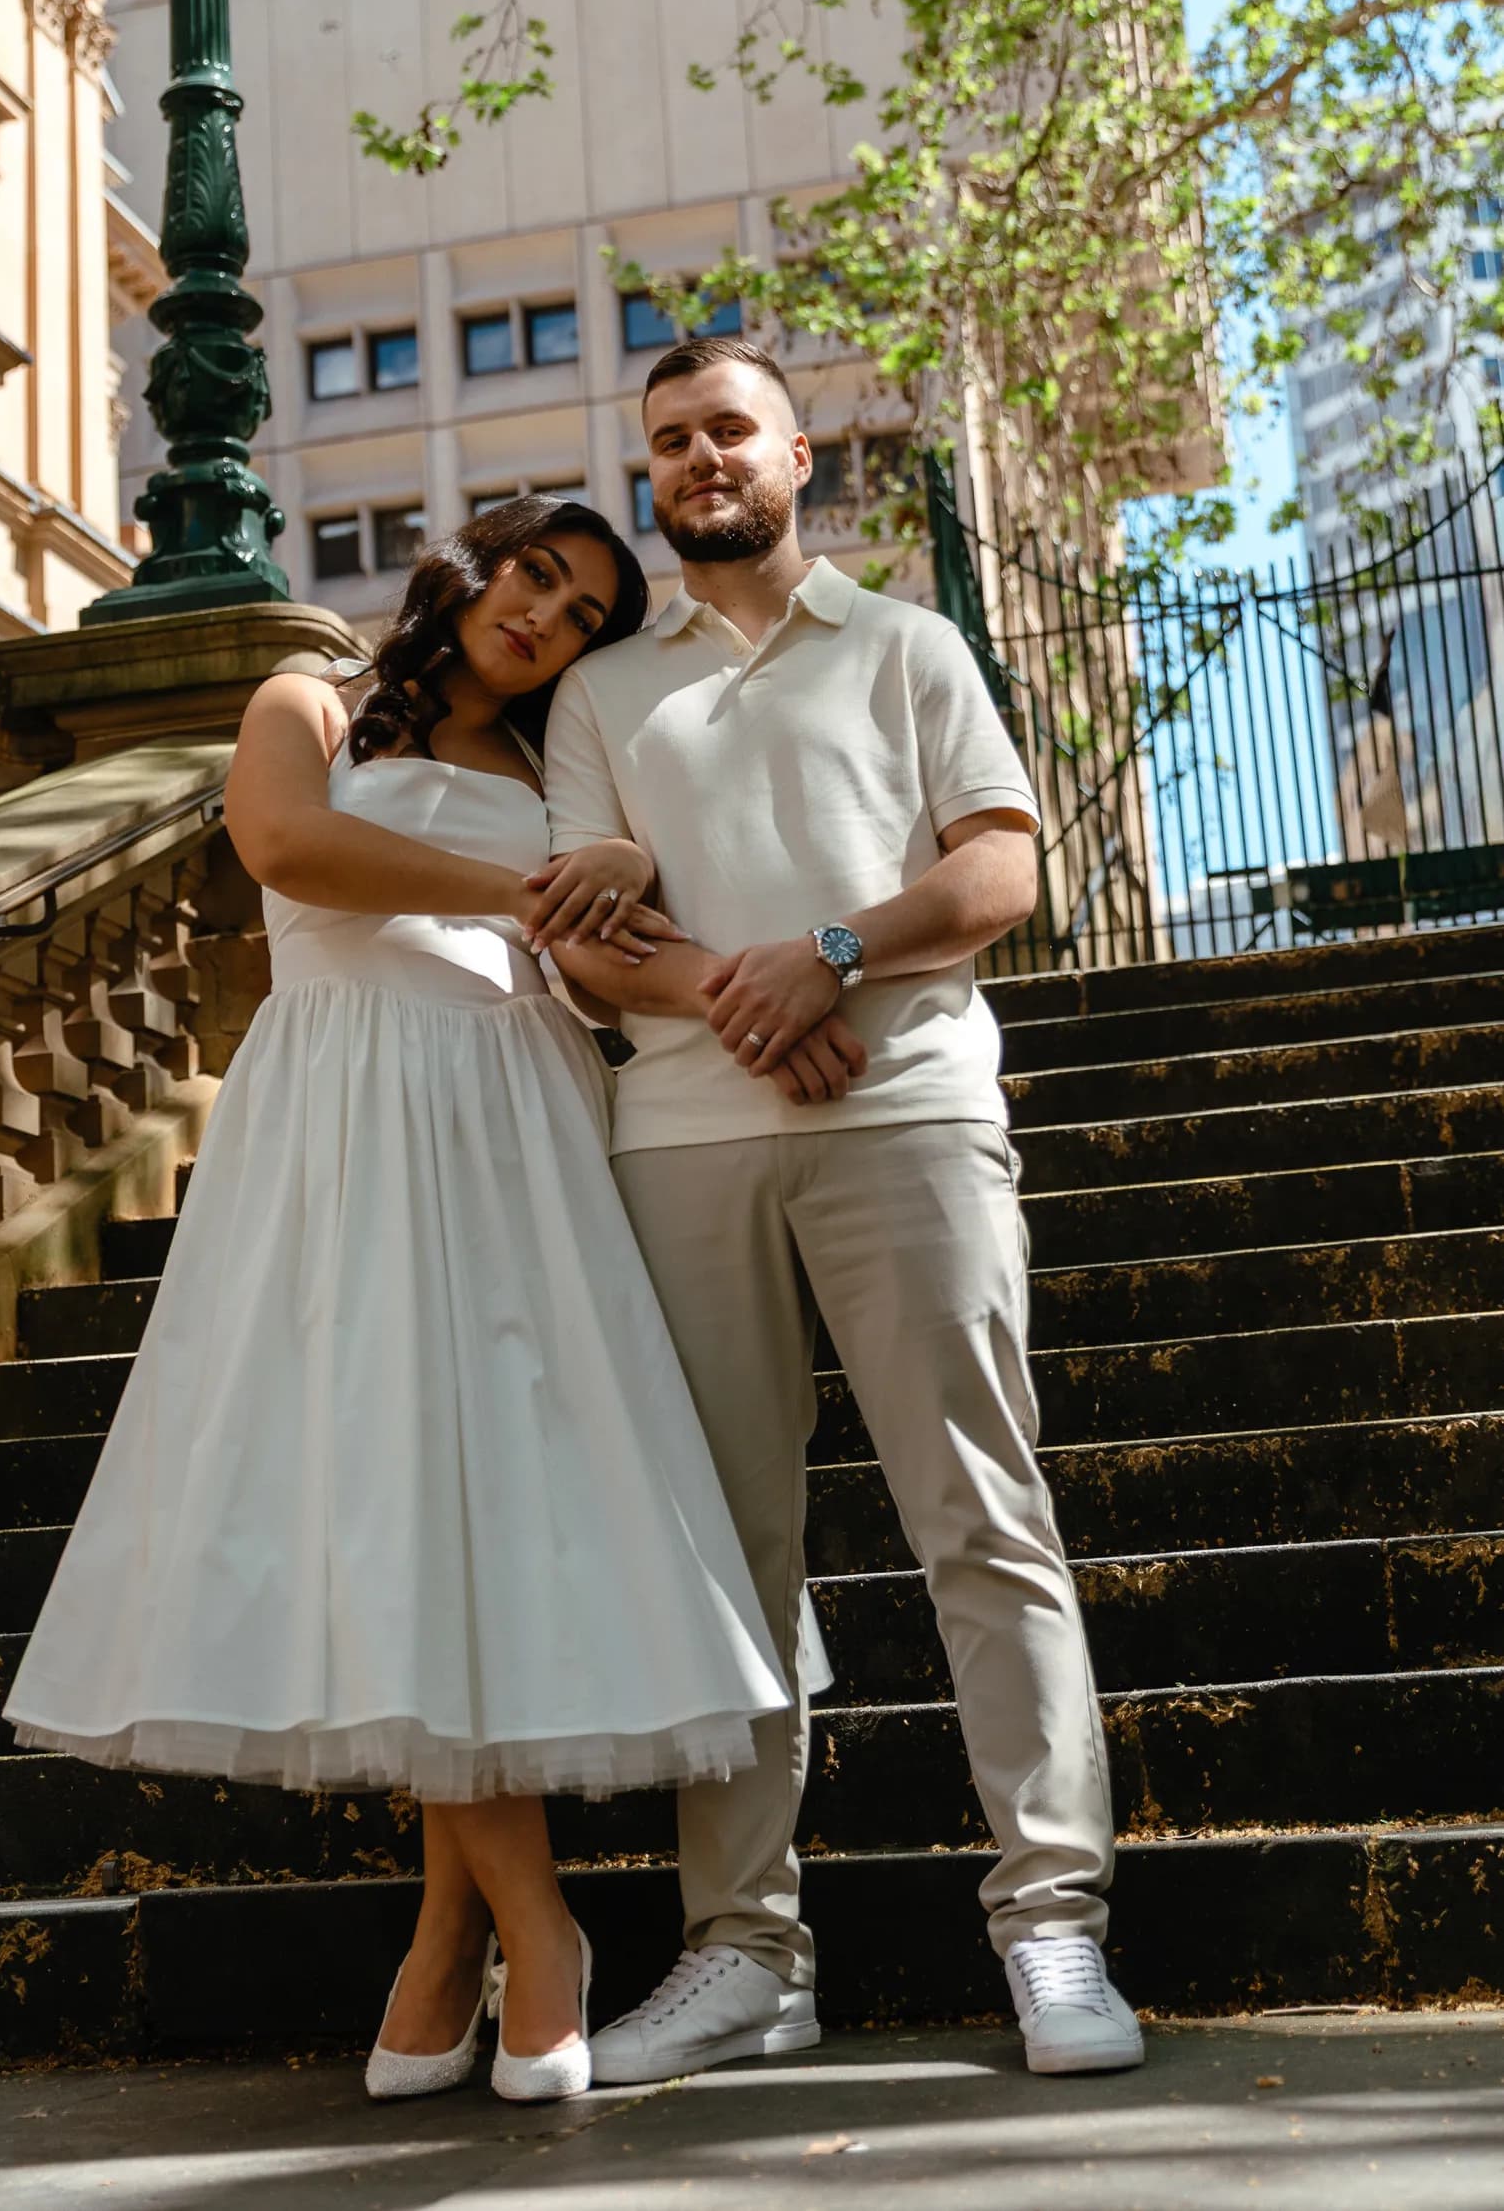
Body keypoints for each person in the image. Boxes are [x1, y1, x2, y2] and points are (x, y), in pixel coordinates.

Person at [4, 497, 793, 2106]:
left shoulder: (566, 774)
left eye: (581, 615)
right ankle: (536, 1927)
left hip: (521, 1134)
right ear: (473, 566)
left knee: (489, 1522)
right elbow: (289, 849)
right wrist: (518, 897)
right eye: (536, 580)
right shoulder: (306, 699)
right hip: (343, 1122)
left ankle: (450, 1945)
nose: (547, 621)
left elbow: (613, 955)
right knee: (381, 1504)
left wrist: (763, 978)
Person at [542, 343, 1143, 2083]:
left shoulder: (905, 646)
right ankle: (744, 1953)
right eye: (666, 443)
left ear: (795, 453)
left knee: (981, 1516)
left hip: (912, 1115)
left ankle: (1053, 1925)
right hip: (682, 1141)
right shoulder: (604, 694)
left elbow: (999, 872)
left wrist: (831, 962)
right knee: (729, 1555)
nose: (696, 460)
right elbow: (576, 927)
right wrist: (754, 999)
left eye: (726, 430)